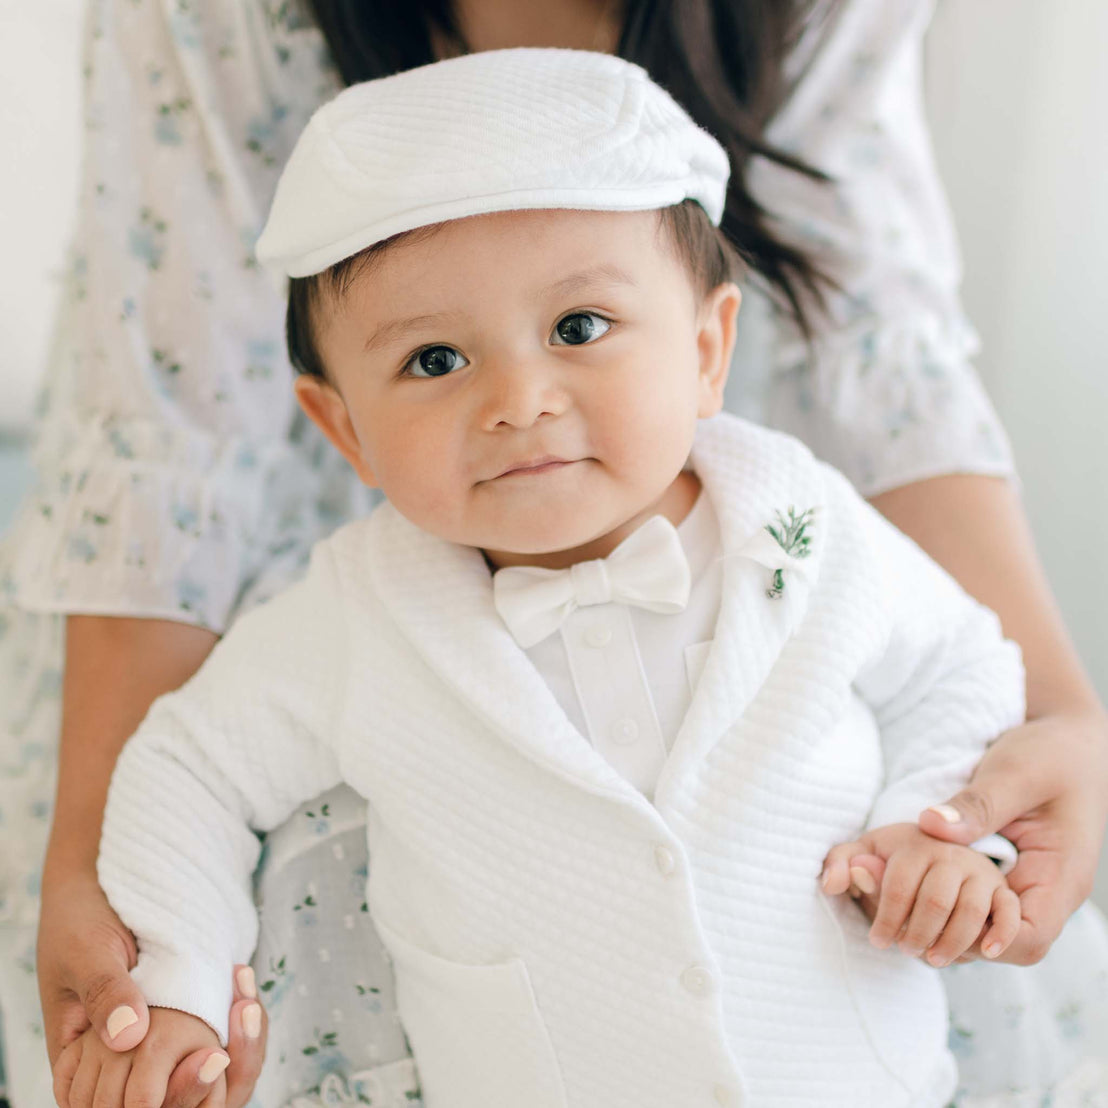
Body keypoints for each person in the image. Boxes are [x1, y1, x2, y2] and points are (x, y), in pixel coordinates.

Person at [1, 1, 1106, 1105]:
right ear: (343, 429)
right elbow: (188, 761)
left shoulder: (801, 525)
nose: (518, 402)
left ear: (710, 346)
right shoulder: (356, 610)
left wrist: (940, 829)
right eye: (436, 359)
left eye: (578, 329)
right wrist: (181, 973)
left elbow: (960, 662)